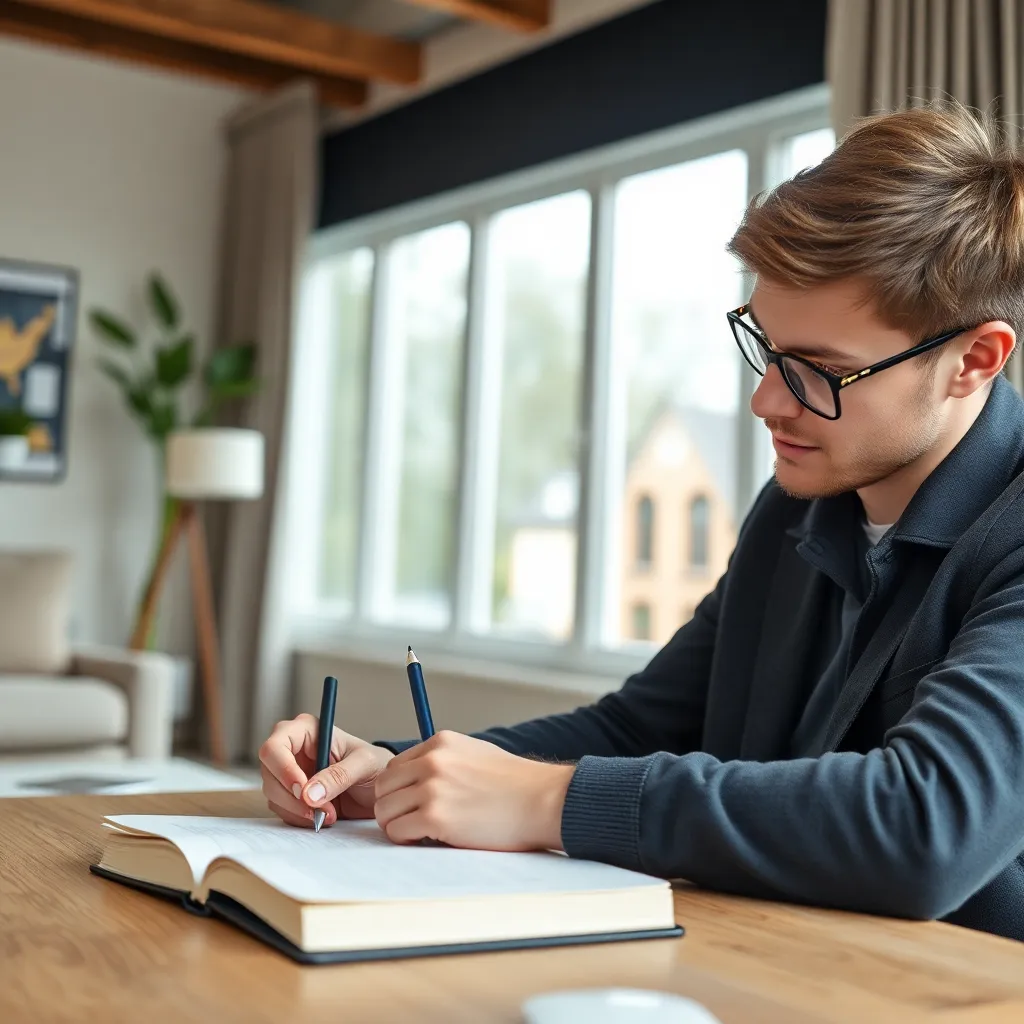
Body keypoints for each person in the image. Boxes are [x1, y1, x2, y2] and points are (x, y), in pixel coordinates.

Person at [260, 100, 1024, 942]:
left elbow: (926, 829)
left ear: (974, 361)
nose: (766, 400)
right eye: (766, 348)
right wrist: (404, 771)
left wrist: (546, 801)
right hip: (775, 957)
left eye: (821, 372)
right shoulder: (795, 511)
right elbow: (637, 726)